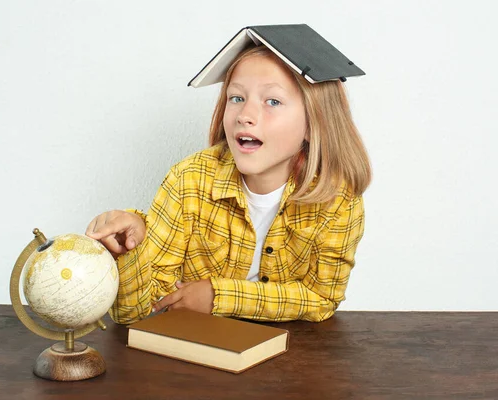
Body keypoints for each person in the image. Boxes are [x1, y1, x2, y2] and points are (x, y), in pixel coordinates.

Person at [86, 27, 371, 324]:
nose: (245, 114)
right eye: (236, 98)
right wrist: (135, 249)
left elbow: (322, 299)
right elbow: (134, 313)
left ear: (315, 123)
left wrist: (219, 296)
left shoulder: (338, 197)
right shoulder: (189, 181)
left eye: (272, 101)